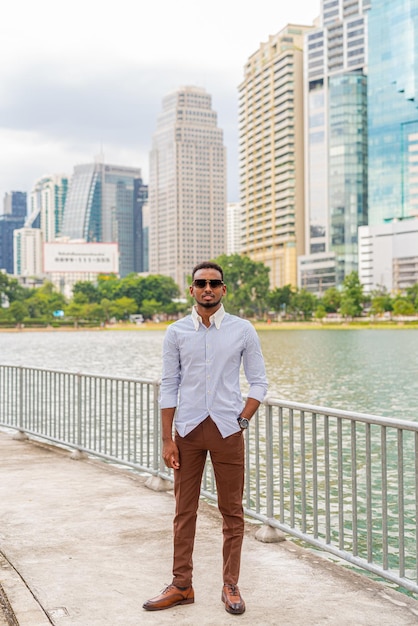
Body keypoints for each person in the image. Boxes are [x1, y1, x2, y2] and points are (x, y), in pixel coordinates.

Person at [143, 261, 268, 615]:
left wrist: (243, 420)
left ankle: (230, 585)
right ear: (192, 289)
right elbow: (169, 386)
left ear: (224, 289)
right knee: (184, 511)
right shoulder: (176, 332)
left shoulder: (243, 330)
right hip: (188, 432)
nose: (208, 288)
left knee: (232, 512)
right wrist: (167, 439)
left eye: (214, 283)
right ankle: (181, 585)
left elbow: (259, 381)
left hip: (229, 431)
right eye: (201, 283)